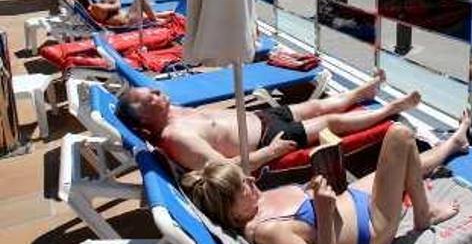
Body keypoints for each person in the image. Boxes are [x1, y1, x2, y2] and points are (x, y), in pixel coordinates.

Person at [181, 113, 471, 244]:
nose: (248, 178)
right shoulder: (269, 234)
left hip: (351, 202)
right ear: (233, 213)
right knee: (399, 135)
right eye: (241, 185)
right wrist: (321, 210)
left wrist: (314, 189)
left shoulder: (253, 204)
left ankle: (453, 144)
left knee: (403, 163)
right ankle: (423, 215)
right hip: (372, 230)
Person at [116, 71, 421, 171]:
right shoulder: (175, 136)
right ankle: (389, 110)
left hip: (263, 116)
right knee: (331, 122)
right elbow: (225, 170)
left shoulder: (176, 110)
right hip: (269, 139)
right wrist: (272, 152)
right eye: (149, 97)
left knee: (316, 104)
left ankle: (360, 91)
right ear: (144, 119)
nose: (157, 90)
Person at [71, 0, 174, 27]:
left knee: (164, 14)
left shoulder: (90, 11)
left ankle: (172, 15)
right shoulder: (95, 7)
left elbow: (108, 10)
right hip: (126, 20)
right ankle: (156, 21)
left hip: (124, 18)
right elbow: (117, 6)